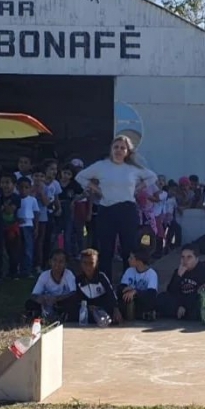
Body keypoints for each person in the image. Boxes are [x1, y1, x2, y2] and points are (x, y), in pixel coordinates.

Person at [76, 137, 158, 283]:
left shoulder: (133, 168)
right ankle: (105, 283)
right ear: (111, 149)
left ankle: (128, 282)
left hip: (127, 210)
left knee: (129, 248)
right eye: (116, 147)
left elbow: (152, 177)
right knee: (106, 250)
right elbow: (80, 177)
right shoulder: (101, 166)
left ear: (127, 151)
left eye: (122, 148)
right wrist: (97, 189)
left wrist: (137, 188)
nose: (119, 150)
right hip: (107, 210)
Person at [157, 244, 205, 321]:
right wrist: (178, 276)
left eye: (189, 257)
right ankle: (179, 313)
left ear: (196, 259)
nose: (185, 260)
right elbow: (171, 291)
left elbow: (200, 293)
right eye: (183, 257)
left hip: (192, 303)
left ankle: (181, 314)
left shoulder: (202, 272)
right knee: (161, 297)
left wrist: (184, 306)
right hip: (179, 302)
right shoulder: (178, 271)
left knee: (202, 302)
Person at [69, 249, 121, 325]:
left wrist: (116, 309)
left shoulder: (101, 277)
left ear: (96, 264)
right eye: (85, 263)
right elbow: (78, 298)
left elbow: (111, 294)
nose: (88, 267)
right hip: (88, 310)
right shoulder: (78, 280)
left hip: (103, 307)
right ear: (81, 264)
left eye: (91, 263)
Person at [24, 249, 78, 322]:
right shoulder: (44, 275)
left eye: (61, 262)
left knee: (72, 304)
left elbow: (73, 293)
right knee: (29, 303)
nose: (57, 264)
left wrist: (56, 299)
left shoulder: (69, 274)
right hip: (46, 302)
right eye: (54, 260)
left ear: (65, 264)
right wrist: (41, 298)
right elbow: (34, 294)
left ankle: (62, 315)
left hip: (62, 301)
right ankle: (39, 314)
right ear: (50, 262)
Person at [119, 252, 160, 321]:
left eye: (131, 258)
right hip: (129, 300)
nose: (128, 260)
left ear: (139, 261)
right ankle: (141, 315)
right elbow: (120, 288)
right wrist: (127, 290)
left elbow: (152, 294)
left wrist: (135, 291)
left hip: (143, 301)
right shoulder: (129, 271)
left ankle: (140, 314)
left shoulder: (151, 274)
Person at [0, 174, 22, 277]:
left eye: (8, 182)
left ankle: (13, 272)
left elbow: (10, 211)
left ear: (14, 185)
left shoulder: (16, 197)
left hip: (12, 227)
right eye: (3, 182)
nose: (5, 185)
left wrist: (2, 207)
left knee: (13, 250)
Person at [16, 176, 39, 277]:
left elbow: (36, 213)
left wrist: (36, 227)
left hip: (29, 225)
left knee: (28, 249)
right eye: (21, 187)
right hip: (17, 226)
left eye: (26, 187)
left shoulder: (32, 200)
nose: (23, 190)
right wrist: (16, 220)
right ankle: (18, 269)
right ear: (17, 188)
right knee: (18, 248)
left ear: (30, 188)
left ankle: (27, 270)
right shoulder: (15, 198)